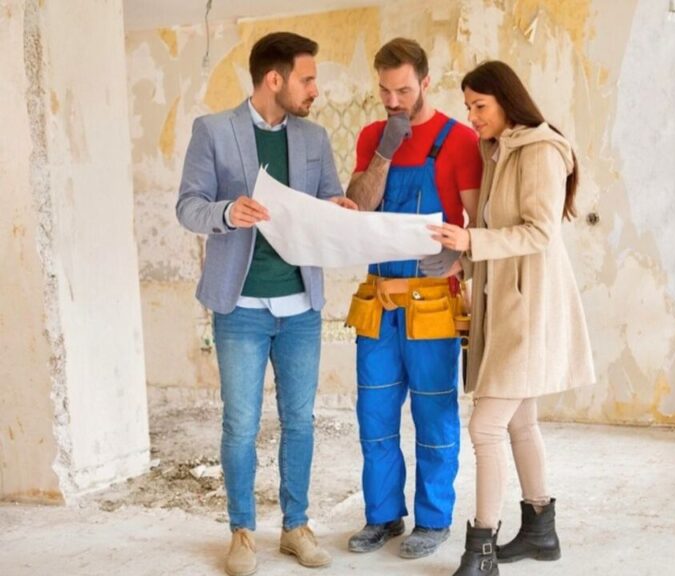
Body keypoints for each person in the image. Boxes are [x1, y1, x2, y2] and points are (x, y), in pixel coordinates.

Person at [176, 31, 356, 576]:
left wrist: (337, 207)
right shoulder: (213, 130)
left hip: (301, 306)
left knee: (300, 420)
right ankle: (242, 532)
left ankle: (296, 526)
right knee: (240, 424)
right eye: (307, 79)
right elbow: (188, 206)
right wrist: (227, 212)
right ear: (274, 79)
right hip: (240, 308)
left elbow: (326, 198)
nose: (315, 89)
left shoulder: (314, 136)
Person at [429, 60, 595, 576]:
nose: (472, 117)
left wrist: (472, 240)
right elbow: (498, 230)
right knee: (521, 421)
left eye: (480, 106)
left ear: (506, 100)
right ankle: (541, 532)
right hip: (506, 303)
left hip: (528, 307)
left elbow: (540, 232)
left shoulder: (541, 149)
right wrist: (462, 259)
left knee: (485, 426)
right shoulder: (499, 150)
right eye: (468, 107)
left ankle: (481, 548)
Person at [343, 37, 482, 559]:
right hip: (379, 303)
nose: (393, 100)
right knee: (374, 416)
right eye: (385, 90)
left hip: (433, 305)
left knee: (434, 416)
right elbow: (357, 208)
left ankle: (433, 519)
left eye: (403, 90)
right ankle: (382, 516)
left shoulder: (460, 140)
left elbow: (478, 223)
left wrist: (459, 260)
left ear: (425, 81)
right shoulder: (372, 136)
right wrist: (385, 150)